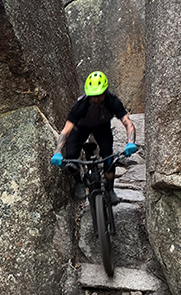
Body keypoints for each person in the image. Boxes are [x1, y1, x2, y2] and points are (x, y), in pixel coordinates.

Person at [51, 71, 137, 202]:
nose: (96, 99)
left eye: (99, 95)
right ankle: (79, 183)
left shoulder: (112, 101)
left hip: (102, 127)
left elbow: (128, 123)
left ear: (105, 92)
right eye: (93, 96)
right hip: (80, 128)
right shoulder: (81, 104)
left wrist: (130, 142)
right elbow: (66, 130)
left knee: (109, 158)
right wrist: (57, 152)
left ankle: (110, 189)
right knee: (70, 159)